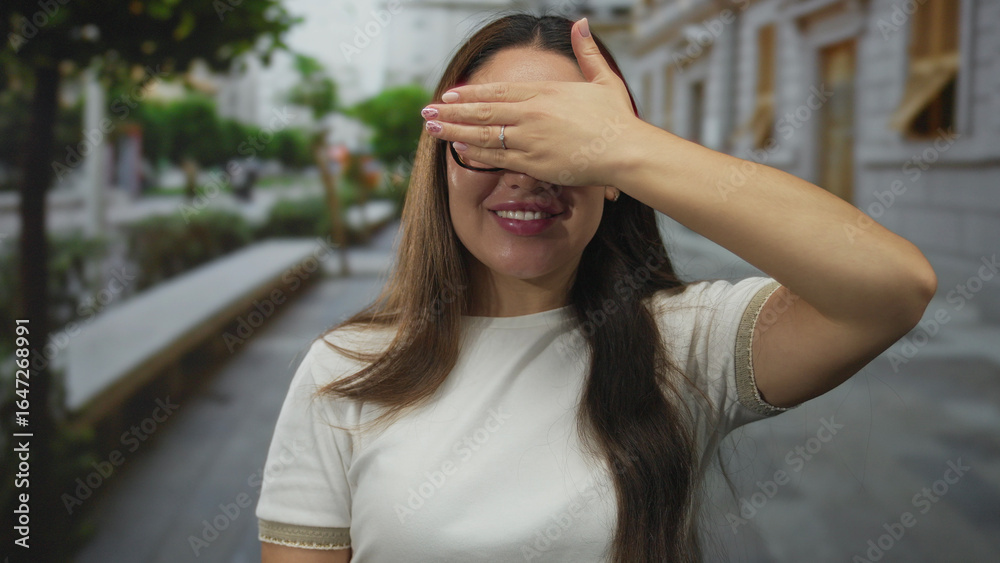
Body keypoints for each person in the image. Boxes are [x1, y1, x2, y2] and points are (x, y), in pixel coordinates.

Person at [255, 12, 936, 563]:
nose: (526, 174)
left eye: (560, 142)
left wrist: (627, 147)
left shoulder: (686, 341)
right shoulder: (343, 368)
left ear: (614, 177)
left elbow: (894, 287)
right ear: (441, 164)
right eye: (491, 138)